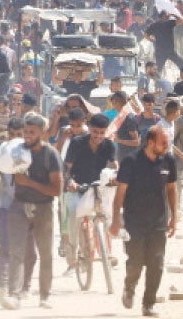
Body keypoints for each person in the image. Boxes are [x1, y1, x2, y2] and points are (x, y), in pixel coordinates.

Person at [110, 125, 178, 318]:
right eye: (163, 143)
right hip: (134, 221)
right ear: (150, 142)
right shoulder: (131, 161)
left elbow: (172, 189)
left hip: (158, 221)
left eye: (168, 143)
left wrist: (174, 217)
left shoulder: (168, 161)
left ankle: (148, 304)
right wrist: (116, 220)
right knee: (136, 262)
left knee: (156, 264)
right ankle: (129, 286)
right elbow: (120, 192)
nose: (166, 146)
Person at [4, 112, 62, 309]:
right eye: (25, 132)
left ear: (43, 133)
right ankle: (14, 294)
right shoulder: (18, 151)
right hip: (19, 206)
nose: (27, 136)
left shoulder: (50, 155)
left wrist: (30, 183)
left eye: (32, 132)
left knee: (45, 253)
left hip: (43, 208)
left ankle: (44, 295)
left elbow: (57, 190)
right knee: (16, 252)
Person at [0, 118, 38, 301]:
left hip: (31, 207)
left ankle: (26, 287)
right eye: (11, 134)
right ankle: (4, 286)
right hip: (8, 207)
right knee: (6, 247)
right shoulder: (0, 153)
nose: (15, 138)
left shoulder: (35, 153)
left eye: (19, 135)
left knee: (30, 252)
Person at [64, 113, 116, 268]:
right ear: (89, 128)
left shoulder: (109, 145)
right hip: (77, 186)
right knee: (75, 214)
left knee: (107, 214)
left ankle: (107, 251)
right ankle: (72, 250)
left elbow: (115, 163)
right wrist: (70, 181)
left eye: (102, 133)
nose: (98, 136)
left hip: (97, 187)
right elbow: (67, 168)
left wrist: (116, 175)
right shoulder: (77, 143)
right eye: (95, 132)